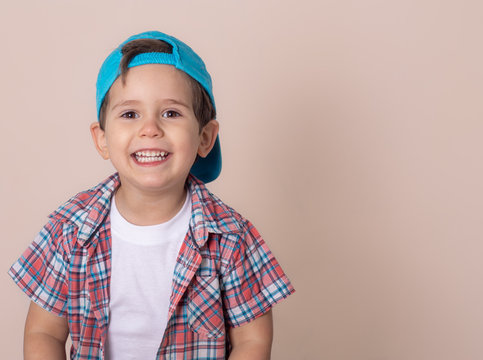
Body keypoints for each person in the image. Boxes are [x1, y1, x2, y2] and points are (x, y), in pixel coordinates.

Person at [9, 30, 295, 360]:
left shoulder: (231, 238)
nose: (150, 129)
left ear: (205, 138)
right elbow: (43, 332)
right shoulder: (70, 230)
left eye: (171, 113)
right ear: (101, 138)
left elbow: (252, 341)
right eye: (130, 114)